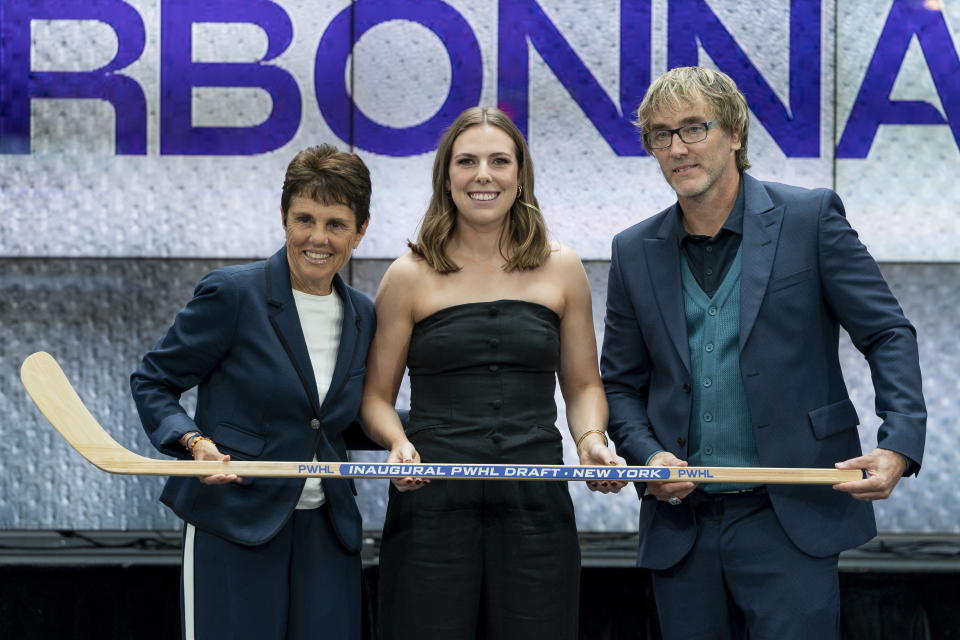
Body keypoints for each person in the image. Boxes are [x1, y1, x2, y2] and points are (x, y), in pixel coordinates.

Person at [601, 66, 926, 639]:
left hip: (793, 515)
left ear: (735, 133)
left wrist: (899, 440)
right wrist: (648, 456)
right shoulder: (632, 250)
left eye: (694, 128)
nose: (678, 148)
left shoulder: (810, 218)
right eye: (661, 135)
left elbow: (887, 333)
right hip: (684, 526)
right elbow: (621, 383)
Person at [360, 106, 624, 640]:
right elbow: (375, 399)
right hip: (430, 505)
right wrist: (396, 441)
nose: (484, 174)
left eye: (499, 161)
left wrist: (592, 439)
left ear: (519, 174)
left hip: (536, 507)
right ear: (447, 175)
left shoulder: (563, 267)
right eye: (468, 161)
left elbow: (583, 385)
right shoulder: (407, 275)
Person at [130, 144, 374, 640]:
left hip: (328, 532)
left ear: (360, 230)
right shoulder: (233, 294)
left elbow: (333, 419)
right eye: (304, 218)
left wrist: (418, 438)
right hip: (234, 521)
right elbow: (154, 382)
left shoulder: (364, 314)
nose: (318, 237)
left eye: (336, 223)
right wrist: (194, 444)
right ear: (284, 219)